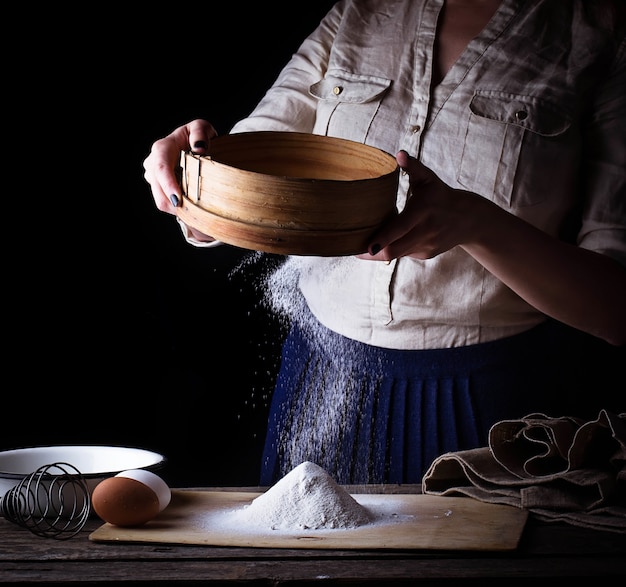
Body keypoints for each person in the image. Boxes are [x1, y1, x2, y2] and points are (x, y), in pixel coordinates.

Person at [144, 0, 626, 485]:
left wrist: (481, 224)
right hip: (319, 376)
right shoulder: (358, 15)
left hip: (495, 405)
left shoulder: (599, 33)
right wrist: (189, 182)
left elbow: (615, 310)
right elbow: (249, 178)